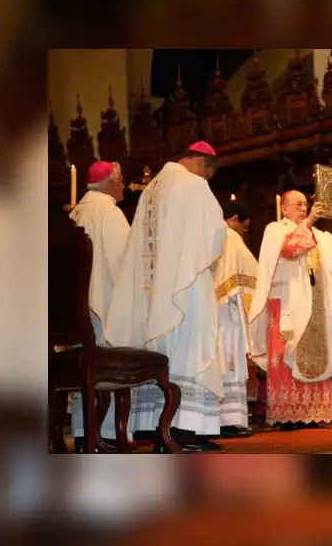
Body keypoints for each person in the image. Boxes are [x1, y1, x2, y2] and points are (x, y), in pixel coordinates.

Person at [105, 141, 227, 452]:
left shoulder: (151, 190)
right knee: (190, 350)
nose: (206, 180)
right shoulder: (193, 184)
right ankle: (187, 430)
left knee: (162, 352)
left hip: (154, 293)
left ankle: (154, 426)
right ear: (200, 163)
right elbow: (215, 235)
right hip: (186, 291)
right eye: (208, 175)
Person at [248, 190, 332, 430]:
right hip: (285, 303)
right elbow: (289, 250)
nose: (302, 208)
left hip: (314, 308)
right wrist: (309, 220)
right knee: (285, 357)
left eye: (304, 204)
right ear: (285, 208)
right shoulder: (275, 229)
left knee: (315, 355)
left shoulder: (317, 234)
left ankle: (313, 412)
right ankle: (287, 415)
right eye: (297, 205)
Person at [68, 161, 130, 448]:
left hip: (72, 315)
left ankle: (83, 433)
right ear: (109, 183)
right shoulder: (109, 212)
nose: (124, 186)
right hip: (103, 308)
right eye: (121, 181)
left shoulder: (74, 213)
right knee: (107, 368)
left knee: (83, 372)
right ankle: (107, 434)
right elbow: (123, 265)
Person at [213, 199, 258, 438]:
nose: (243, 231)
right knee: (230, 363)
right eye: (244, 226)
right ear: (233, 220)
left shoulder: (212, 233)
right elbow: (250, 273)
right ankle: (228, 421)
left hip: (215, 309)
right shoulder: (230, 237)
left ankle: (222, 419)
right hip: (227, 311)